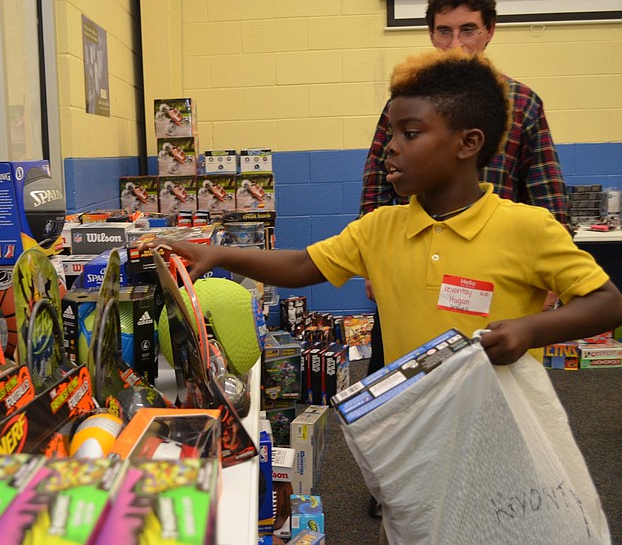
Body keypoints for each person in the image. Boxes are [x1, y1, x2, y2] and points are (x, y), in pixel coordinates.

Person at [149, 49, 622, 541]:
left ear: (468, 143)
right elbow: (303, 265)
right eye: (391, 133)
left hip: (498, 431)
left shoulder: (527, 228)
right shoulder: (380, 228)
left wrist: (529, 330)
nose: (389, 149)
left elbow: (607, 302)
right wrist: (218, 254)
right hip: (413, 430)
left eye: (409, 134)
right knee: (414, 525)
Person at [361, 0, 568, 395]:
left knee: (491, 385)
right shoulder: (406, 101)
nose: (456, 44)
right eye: (444, 31)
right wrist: (370, 259)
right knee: (399, 387)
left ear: (489, 31)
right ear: (431, 34)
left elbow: (546, 190)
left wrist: (550, 275)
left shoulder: (521, 103)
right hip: (412, 264)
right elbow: (377, 179)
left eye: (468, 30)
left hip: (493, 270)